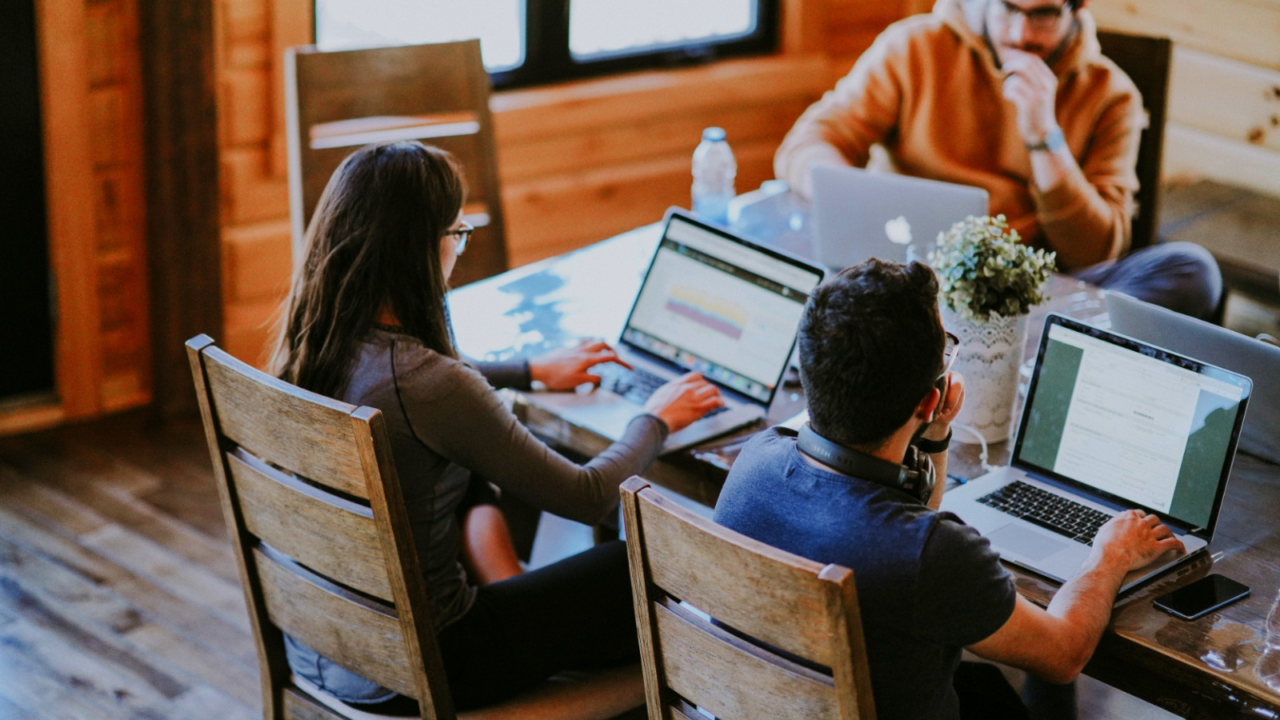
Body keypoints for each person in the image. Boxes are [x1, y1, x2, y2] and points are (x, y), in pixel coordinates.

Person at [269, 140, 724, 714]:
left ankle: (514, 589)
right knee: (630, 566)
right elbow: (584, 496)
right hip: (430, 664)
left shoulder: (316, 342)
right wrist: (656, 417)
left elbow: (424, 389)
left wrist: (529, 371)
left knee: (467, 469)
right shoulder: (428, 386)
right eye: (457, 234)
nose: (459, 249)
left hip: (324, 643)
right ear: (422, 249)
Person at [713, 259, 1185, 719]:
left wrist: (933, 434)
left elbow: (907, 524)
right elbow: (1063, 655)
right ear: (929, 398)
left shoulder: (754, 461)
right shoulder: (932, 554)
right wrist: (1111, 555)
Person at [775, 0, 1222, 320]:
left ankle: (1027, 352)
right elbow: (808, 143)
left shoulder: (1112, 94)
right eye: (1008, 8)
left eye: (1044, 13)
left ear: (1076, 7)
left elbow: (1096, 251)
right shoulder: (913, 47)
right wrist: (849, 200)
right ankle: (1027, 358)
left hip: (1031, 298)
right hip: (908, 276)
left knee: (1193, 270)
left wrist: (1045, 137)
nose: (1021, 35)